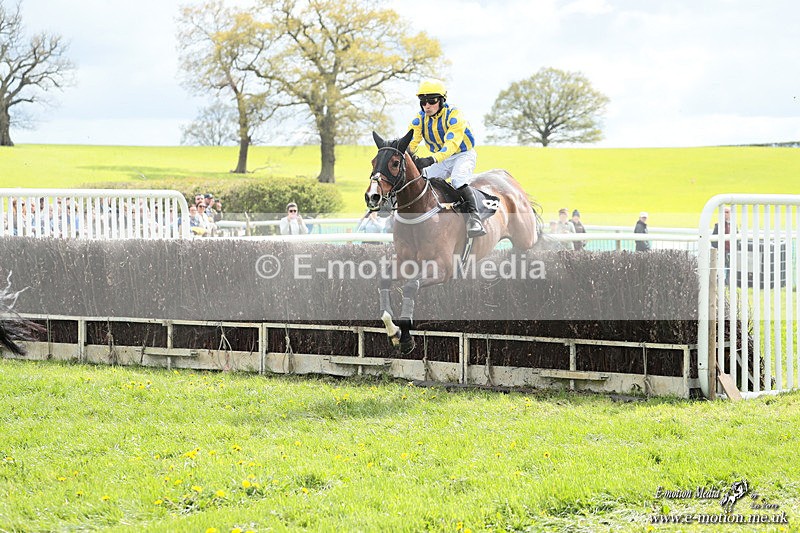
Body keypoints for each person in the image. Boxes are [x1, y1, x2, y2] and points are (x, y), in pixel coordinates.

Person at [407, 79, 485, 237]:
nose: (427, 106)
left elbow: (451, 145)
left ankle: (474, 218)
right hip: (442, 159)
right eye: (423, 102)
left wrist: (430, 159)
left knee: (458, 180)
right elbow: (411, 142)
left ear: (442, 100)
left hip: (463, 154)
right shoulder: (420, 119)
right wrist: (407, 156)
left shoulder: (455, 115)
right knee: (421, 180)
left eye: (431, 101)